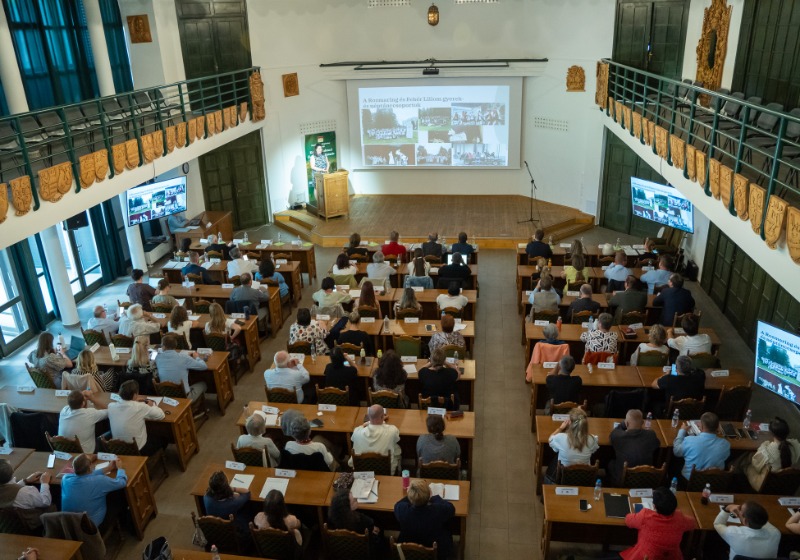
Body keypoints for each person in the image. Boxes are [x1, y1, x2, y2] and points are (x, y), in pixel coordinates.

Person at [620, 486, 696, 560]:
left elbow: (628, 520)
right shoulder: (679, 518)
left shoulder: (646, 516)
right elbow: (692, 523)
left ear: (654, 506)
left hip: (646, 556)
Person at [61, 454, 127, 530]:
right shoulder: (100, 480)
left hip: (69, 524)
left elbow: (85, 475)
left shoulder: (65, 478)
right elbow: (122, 483)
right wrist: (120, 468)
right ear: (90, 467)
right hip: (90, 526)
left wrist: (108, 468)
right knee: (118, 497)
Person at [394, 479, 455, 558]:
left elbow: (398, 504)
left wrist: (411, 495)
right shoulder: (437, 510)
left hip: (409, 551)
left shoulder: (402, 510)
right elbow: (451, 508)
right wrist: (434, 497)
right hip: (434, 547)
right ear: (429, 494)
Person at [108, 380, 166, 456]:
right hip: (139, 450)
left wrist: (134, 401)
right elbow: (161, 415)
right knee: (164, 438)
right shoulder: (140, 407)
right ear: (135, 395)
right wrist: (152, 405)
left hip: (118, 450)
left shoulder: (111, 406)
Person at [742, 416, 800, 491]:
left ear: (771, 433)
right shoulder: (795, 446)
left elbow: (756, 465)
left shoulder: (766, 451)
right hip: (785, 482)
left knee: (746, 461)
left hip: (765, 482)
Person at [608, 409, 661, 485]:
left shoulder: (618, 436)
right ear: (643, 423)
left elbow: (612, 435)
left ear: (626, 423)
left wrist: (623, 424)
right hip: (646, 480)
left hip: (623, 481)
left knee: (610, 463)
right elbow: (657, 444)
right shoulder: (651, 435)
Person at [673, 412, 730, 480]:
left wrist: (681, 431)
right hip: (713, 482)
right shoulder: (726, 445)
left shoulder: (690, 440)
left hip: (689, 481)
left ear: (702, 427)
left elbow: (676, 452)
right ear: (718, 427)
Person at [714, 501, 780, 560]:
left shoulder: (733, 533)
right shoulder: (776, 533)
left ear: (745, 521)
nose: (738, 509)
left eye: (740, 509)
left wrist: (727, 508)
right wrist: (745, 513)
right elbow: (760, 519)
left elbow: (717, 524)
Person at [547, 407, 599, 480]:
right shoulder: (592, 439)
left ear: (570, 423)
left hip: (563, 476)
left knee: (556, 457)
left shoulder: (561, 438)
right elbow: (593, 450)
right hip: (584, 477)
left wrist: (560, 428)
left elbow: (550, 439)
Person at [0, 459, 53, 531]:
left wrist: (25, 481)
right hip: (34, 525)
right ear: (12, 471)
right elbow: (45, 502)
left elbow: (8, 490)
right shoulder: (26, 491)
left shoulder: (21, 492)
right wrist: (44, 483)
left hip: (7, 527)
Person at [154, 334, 208, 403]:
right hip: (184, 398)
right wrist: (197, 357)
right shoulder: (184, 358)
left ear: (163, 347)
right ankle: (194, 408)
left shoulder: (158, 358)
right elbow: (204, 366)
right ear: (175, 345)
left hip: (167, 398)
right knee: (203, 384)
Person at [328, 488, 384, 553]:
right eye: (354, 501)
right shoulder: (363, 521)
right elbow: (371, 524)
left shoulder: (332, 520)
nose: (356, 499)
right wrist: (372, 529)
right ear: (347, 509)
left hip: (343, 550)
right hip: (364, 550)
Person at [351, 404, 402, 474]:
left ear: (369, 417)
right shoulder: (392, 430)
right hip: (385, 470)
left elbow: (358, 430)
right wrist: (381, 421)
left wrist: (370, 422)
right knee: (396, 448)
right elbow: (397, 439)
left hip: (362, 470)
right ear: (382, 416)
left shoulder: (357, 432)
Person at [203, 470, 252, 540]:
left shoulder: (206, 497)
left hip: (216, 531)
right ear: (226, 487)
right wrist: (232, 488)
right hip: (234, 533)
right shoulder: (233, 503)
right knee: (248, 509)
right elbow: (247, 492)